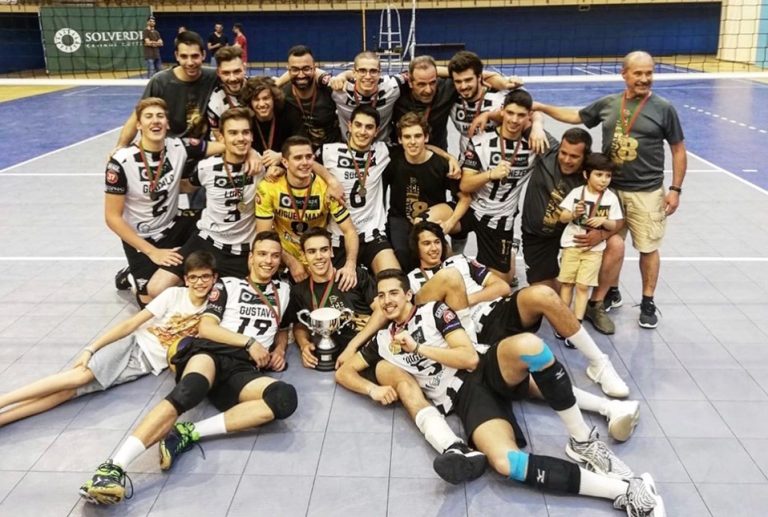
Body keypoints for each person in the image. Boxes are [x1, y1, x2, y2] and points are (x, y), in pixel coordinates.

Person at [337, 269, 665, 515]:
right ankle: (623, 491)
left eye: (394, 292)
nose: (388, 300)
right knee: (506, 463)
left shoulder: (435, 311)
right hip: (465, 397)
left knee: (530, 346)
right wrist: (371, 389)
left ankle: (583, 441)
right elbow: (343, 371)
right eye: (382, 296)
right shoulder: (382, 342)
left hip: (483, 365)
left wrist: (420, 347)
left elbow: (467, 358)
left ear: (409, 295)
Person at [80, 232, 297, 505]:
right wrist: (249, 342)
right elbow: (207, 328)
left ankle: (188, 433)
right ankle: (112, 468)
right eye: (262, 254)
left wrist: (279, 349)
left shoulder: (285, 291)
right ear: (251, 257)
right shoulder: (227, 285)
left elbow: (285, 328)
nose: (268, 261)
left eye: (275, 255)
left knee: (283, 399)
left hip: (245, 368)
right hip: (212, 353)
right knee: (190, 390)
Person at [534, 50, 687, 329]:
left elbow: (678, 149)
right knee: (611, 244)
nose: (644, 78)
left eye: (649, 73)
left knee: (648, 248)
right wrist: (541, 108)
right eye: (638, 73)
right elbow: (574, 116)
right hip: (611, 190)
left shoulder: (664, 108)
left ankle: (647, 300)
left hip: (647, 191)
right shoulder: (609, 104)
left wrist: (675, 188)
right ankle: (605, 295)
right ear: (624, 74)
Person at [407, 221, 632, 402]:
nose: (434, 248)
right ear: (416, 248)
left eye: (437, 242)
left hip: (497, 311)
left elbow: (502, 287)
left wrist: (467, 299)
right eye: (426, 243)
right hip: (471, 336)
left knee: (542, 293)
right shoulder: (413, 281)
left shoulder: (460, 261)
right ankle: (600, 408)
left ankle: (599, 363)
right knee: (526, 375)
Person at [0, 252, 216, 428]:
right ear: (186, 280)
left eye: (205, 277)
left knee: (67, 393)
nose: (199, 282)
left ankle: (4, 419)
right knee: (79, 377)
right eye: (194, 277)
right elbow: (130, 325)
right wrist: (91, 349)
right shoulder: (173, 295)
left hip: (144, 366)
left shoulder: (215, 309)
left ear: (214, 278)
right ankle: (4, 401)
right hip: (133, 346)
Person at [106, 97, 250, 307]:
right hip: (142, 238)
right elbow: (112, 218)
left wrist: (251, 152)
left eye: (160, 116)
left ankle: (208, 265)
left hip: (175, 224)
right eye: (148, 117)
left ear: (168, 123)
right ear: (138, 125)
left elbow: (227, 145)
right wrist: (151, 252)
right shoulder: (121, 161)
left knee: (216, 217)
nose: (155, 121)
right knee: (151, 297)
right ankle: (131, 276)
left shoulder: (179, 146)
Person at [147, 107, 261, 298]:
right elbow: (186, 187)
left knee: (244, 303)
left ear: (251, 136)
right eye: (233, 133)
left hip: (243, 249)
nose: (240, 138)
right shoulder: (206, 167)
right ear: (221, 138)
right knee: (156, 288)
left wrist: (258, 155)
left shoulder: (262, 168)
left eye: (245, 132)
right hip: (207, 241)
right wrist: (151, 184)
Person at [461, 89, 557, 284]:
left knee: (504, 281)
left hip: (501, 217)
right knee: (434, 225)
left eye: (521, 115)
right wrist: (490, 174)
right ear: (502, 111)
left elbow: (561, 152)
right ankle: (455, 262)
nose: (514, 120)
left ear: (528, 116)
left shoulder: (534, 143)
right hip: (472, 207)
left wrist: (538, 125)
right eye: (510, 113)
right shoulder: (481, 140)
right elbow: (465, 184)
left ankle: (511, 250)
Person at [255, 136, 359, 287]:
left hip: (316, 258)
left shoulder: (327, 189)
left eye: (308, 157)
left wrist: (350, 265)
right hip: (282, 258)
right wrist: (291, 262)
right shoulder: (269, 187)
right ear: (285, 162)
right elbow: (263, 237)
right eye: (298, 158)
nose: (305, 163)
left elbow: (350, 231)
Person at [317, 105, 400, 273]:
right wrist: (330, 179)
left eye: (369, 127)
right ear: (349, 126)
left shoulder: (383, 151)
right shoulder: (329, 151)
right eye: (358, 125)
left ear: (376, 131)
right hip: (337, 238)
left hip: (373, 235)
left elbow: (419, 148)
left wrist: (449, 158)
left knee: (394, 280)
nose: (363, 132)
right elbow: (301, 160)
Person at [386, 112, 471, 270]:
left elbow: (465, 198)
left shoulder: (440, 165)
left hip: (433, 218)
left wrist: (448, 224)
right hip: (401, 218)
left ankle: (457, 258)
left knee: (438, 255)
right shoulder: (392, 161)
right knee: (404, 256)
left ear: (426, 138)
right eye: (407, 137)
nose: (412, 142)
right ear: (399, 140)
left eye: (418, 136)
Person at [117, 31, 218, 145]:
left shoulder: (214, 77)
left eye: (195, 56)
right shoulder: (160, 81)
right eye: (184, 56)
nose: (190, 62)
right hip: (168, 148)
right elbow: (137, 116)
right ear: (176, 56)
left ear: (203, 55)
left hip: (201, 148)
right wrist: (120, 147)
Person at [558, 153, 623, 323]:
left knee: (583, 286)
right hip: (572, 245)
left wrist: (604, 221)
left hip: (594, 250)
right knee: (567, 283)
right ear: (586, 175)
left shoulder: (611, 198)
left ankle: (577, 322)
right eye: (599, 175)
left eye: (608, 176)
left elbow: (615, 225)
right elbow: (562, 217)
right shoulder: (576, 193)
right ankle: (564, 320)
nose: (604, 180)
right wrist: (573, 213)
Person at [330, 51, 405, 143]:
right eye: (362, 71)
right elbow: (313, 71)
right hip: (348, 148)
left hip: (382, 148)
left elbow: (416, 73)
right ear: (354, 73)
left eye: (373, 71)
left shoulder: (392, 87)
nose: (368, 76)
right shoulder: (339, 89)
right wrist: (340, 75)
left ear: (380, 73)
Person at [282, 45, 341, 149]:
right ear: (288, 70)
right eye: (295, 69)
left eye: (306, 69)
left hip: (331, 152)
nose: (301, 75)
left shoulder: (330, 91)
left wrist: (343, 76)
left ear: (314, 68)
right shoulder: (282, 95)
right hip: (298, 153)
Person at [240, 76, 300, 167]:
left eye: (266, 98)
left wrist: (281, 156)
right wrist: (249, 152)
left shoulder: (289, 112)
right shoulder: (245, 120)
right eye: (256, 99)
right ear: (250, 102)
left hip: (285, 167)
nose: (262, 104)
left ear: (274, 99)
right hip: (256, 168)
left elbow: (302, 144)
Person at [206, 46, 247, 140]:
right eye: (226, 73)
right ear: (218, 73)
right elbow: (218, 136)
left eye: (237, 71)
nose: (232, 78)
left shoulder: (257, 89)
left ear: (244, 68)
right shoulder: (214, 103)